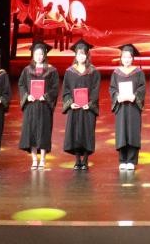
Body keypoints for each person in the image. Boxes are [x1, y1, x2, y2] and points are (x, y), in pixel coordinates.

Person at [18, 41, 59, 169]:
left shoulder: (51, 70)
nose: (39, 57)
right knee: (31, 132)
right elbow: (21, 85)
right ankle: (34, 160)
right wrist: (26, 96)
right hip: (31, 106)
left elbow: (55, 88)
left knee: (43, 132)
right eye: (36, 54)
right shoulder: (27, 70)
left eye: (41, 54)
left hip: (44, 106)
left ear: (45, 55)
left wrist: (45, 96)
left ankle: (43, 159)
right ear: (33, 55)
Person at [61, 38, 101, 170]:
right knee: (76, 133)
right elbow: (66, 90)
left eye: (83, 54)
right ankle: (77, 160)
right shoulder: (70, 71)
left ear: (87, 55)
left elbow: (95, 89)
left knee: (87, 132)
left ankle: (85, 160)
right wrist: (70, 103)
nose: (81, 56)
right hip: (75, 108)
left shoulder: (93, 71)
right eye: (79, 54)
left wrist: (90, 103)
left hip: (87, 108)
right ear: (75, 55)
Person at [111, 43, 146, 171]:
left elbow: (142, 88)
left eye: (129, 57)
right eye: (124, 57)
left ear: (132, 58)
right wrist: (117, 96)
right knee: (122, 132)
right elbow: (112, 88)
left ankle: (131, 160)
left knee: (133, 132)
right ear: (121, 58)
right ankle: (122, 160)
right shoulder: (116, 72)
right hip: (121, 107)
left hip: (133, 107)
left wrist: (135, 96)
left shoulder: (138, 72)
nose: (126, 59)